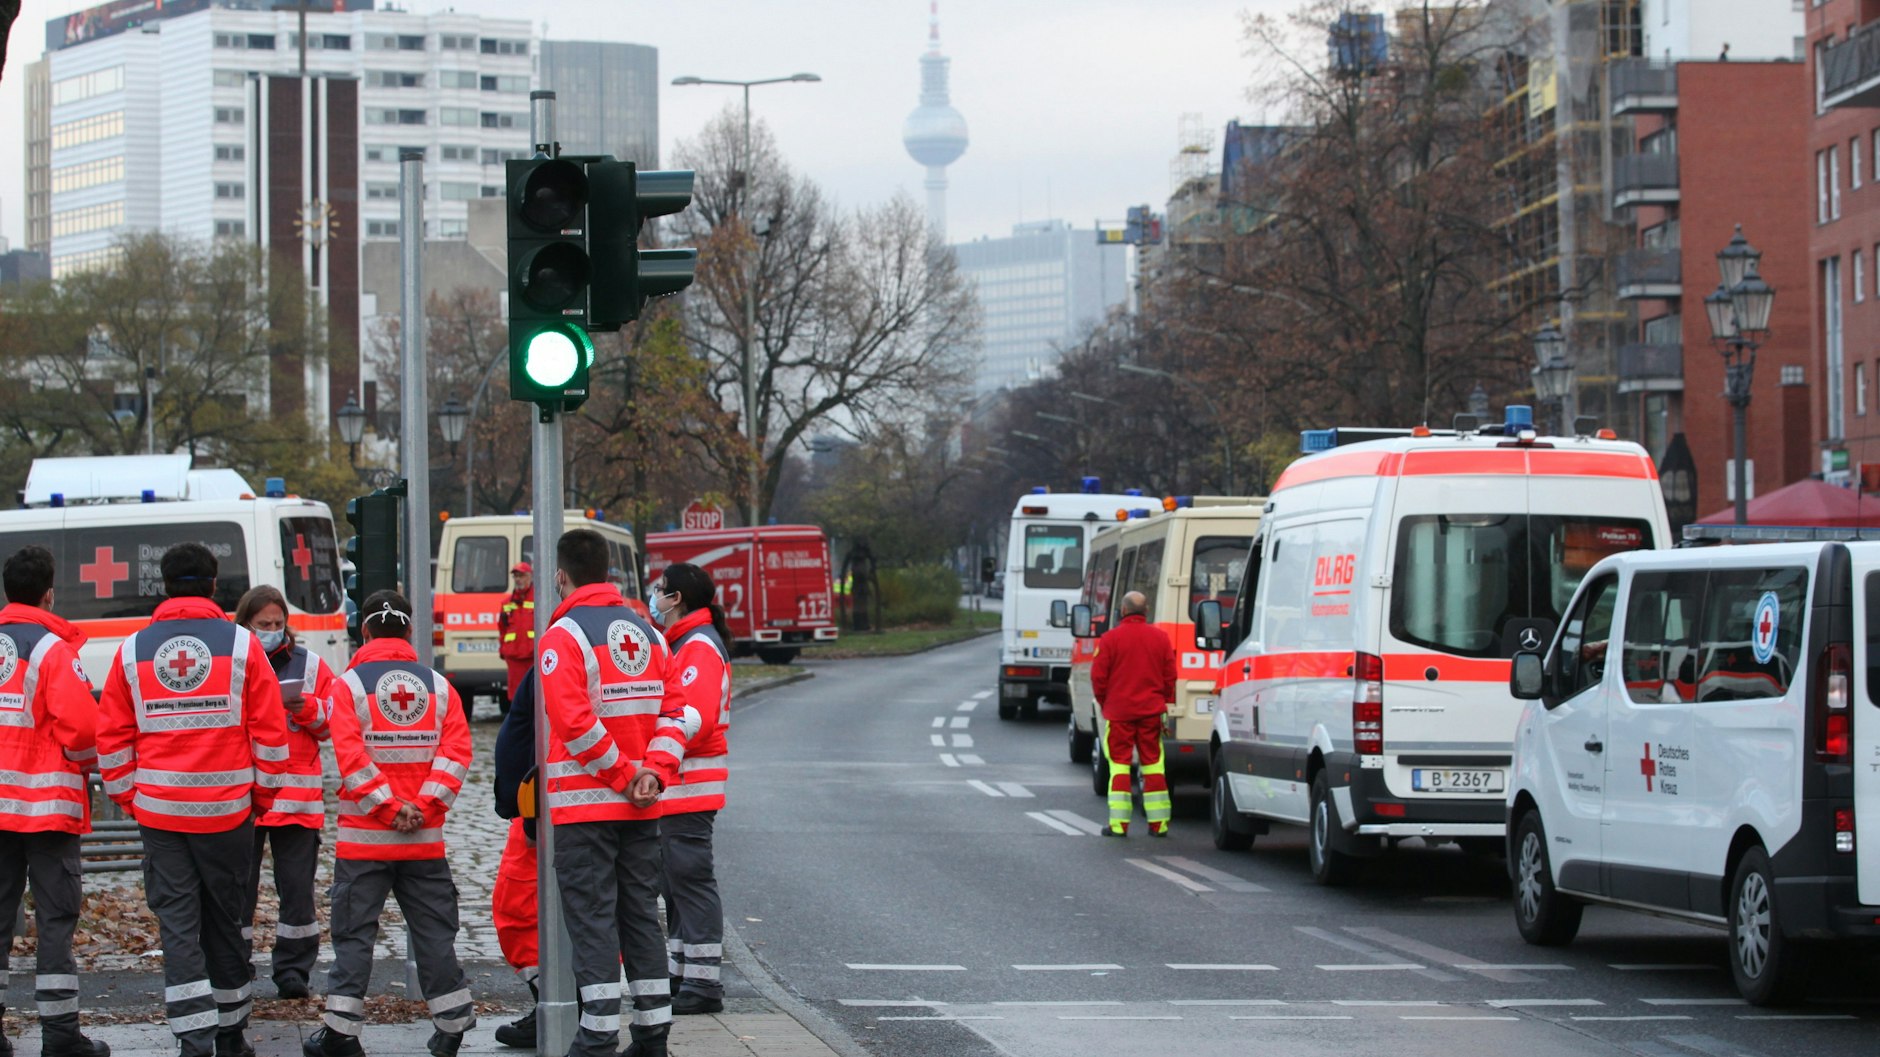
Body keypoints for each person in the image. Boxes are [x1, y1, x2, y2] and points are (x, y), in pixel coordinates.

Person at [96, 543, 291, 1057]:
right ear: (213, 585)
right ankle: (230, 1033)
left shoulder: (132, 649)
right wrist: (261, 797)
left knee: (178, 924)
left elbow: (112, 736)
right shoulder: (245, 646)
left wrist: (129, 797)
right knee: (226, 919)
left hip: (161, 814)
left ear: (163, 586)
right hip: (228, 812)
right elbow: (270, 734)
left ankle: (192, 1036)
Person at [536, 529, 693, 1057]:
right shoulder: (648, 632)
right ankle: (652, 1036)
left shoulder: (563, 637)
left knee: (593, 921)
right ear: (609, 572)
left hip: (587, 807)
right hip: (644, 805)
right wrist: (654, 772)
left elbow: (575, 725)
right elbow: (675, 713)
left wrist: (625, 774)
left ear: (562, 576)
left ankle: (598, 1037)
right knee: (640, 918)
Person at [303, 591, 474, 1057]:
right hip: (424, 840)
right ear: (409, 630)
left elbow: (351, 759)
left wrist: (386, 807)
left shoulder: (348, 686)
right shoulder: (439, 687)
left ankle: (340, 1034)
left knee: (355, 935)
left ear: (365, 631)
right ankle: (453, 1024)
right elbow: (456, 755)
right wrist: (422, 805)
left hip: (363, 843)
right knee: (435, 934)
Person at [0, 546, 111, 1057]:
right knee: (55, 920)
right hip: (45, 811)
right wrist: (88, 764)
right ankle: (61, 1035)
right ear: (48, 594)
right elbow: (83, 728)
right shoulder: (50, 649)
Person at [232, 586, 336, 1000]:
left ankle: (293, 970)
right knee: (239, 890)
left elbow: (332, 724)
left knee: (297, 892)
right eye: (263, 625)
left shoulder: (309, 664)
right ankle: (233, 964)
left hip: (297, 801)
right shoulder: (232, 661)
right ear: (246, 625)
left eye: (278, 624)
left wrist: (306, 708)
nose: (272, 632)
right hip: (246, 797)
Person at [651, 563, 732, 1015]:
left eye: (661, 591)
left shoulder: (697, 646)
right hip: (679, 786)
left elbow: (692, 717)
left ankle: (703, 986)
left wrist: (656, 751)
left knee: (691, 881)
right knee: (676, 882)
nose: (656, 597)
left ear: (677, 597)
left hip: (688, 787)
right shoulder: (684, 641)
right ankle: (683, 974)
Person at [1090, 590, 1176, 837]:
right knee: (1153, 766)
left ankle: (1119, 825)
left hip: (1119, 714)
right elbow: (1170, 676)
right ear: (1146, 612)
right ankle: (1159, 824)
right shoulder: (1160, 638)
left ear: (1123, 611)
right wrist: (1164, 701)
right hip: (1151, 713)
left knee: (1119, 766)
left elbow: (1098, 678)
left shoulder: (1109, 639)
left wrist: (1107, 703)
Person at [489, 668, 540, 1049]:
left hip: (547, 807)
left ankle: (558, 1007)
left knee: (517, 908)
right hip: (558, 805)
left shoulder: (565, 645)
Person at [499, 562, 536, 705]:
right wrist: (503, 649)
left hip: (532, 656)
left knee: (535, 695)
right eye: (516, 576)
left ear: (530, 577)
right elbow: (502, 628)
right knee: (516, 697)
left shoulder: (539, 601)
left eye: (521, 575)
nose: (518, 579)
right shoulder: (507, 603)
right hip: (514, 657)